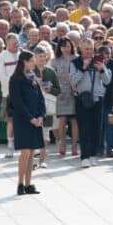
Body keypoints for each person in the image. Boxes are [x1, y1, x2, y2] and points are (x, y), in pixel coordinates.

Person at [70, 38, 112, 168]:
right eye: (86, 49)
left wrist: (101, 69)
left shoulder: (98, 60)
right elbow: (73, 81)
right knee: (84, 128)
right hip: (82, 99)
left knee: (96, 128)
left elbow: (107, 81)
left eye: (91, 49)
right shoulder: (75, 62)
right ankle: (85, 156)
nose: (89, 52)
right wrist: (83, 68)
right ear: (80, 49)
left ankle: (93, 154)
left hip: (97, 99)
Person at [8, 50, 44, 194]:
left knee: (32, 151)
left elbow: (40, 98)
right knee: (25, 152)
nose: (34, 63)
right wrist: (30, 118)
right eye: (31, 60)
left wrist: (41, 115)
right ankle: (20, 184)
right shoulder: (15, 79)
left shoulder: (33, 77)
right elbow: (17, 102)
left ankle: (29, 183)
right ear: (24, 62)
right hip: (23, 120)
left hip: (36, 119)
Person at [52, 38, 79, 156]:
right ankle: (62, 143)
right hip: (61, 92)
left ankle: (74, 145)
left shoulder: (77, 59)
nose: (66, 49)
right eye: (63, 47)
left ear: (71, 46)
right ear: (59, 48)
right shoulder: (56, 61)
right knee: (62, 119)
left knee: (74, 120)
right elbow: (52, 77)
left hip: (75, 91)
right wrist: (56, 91)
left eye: (68, 46)